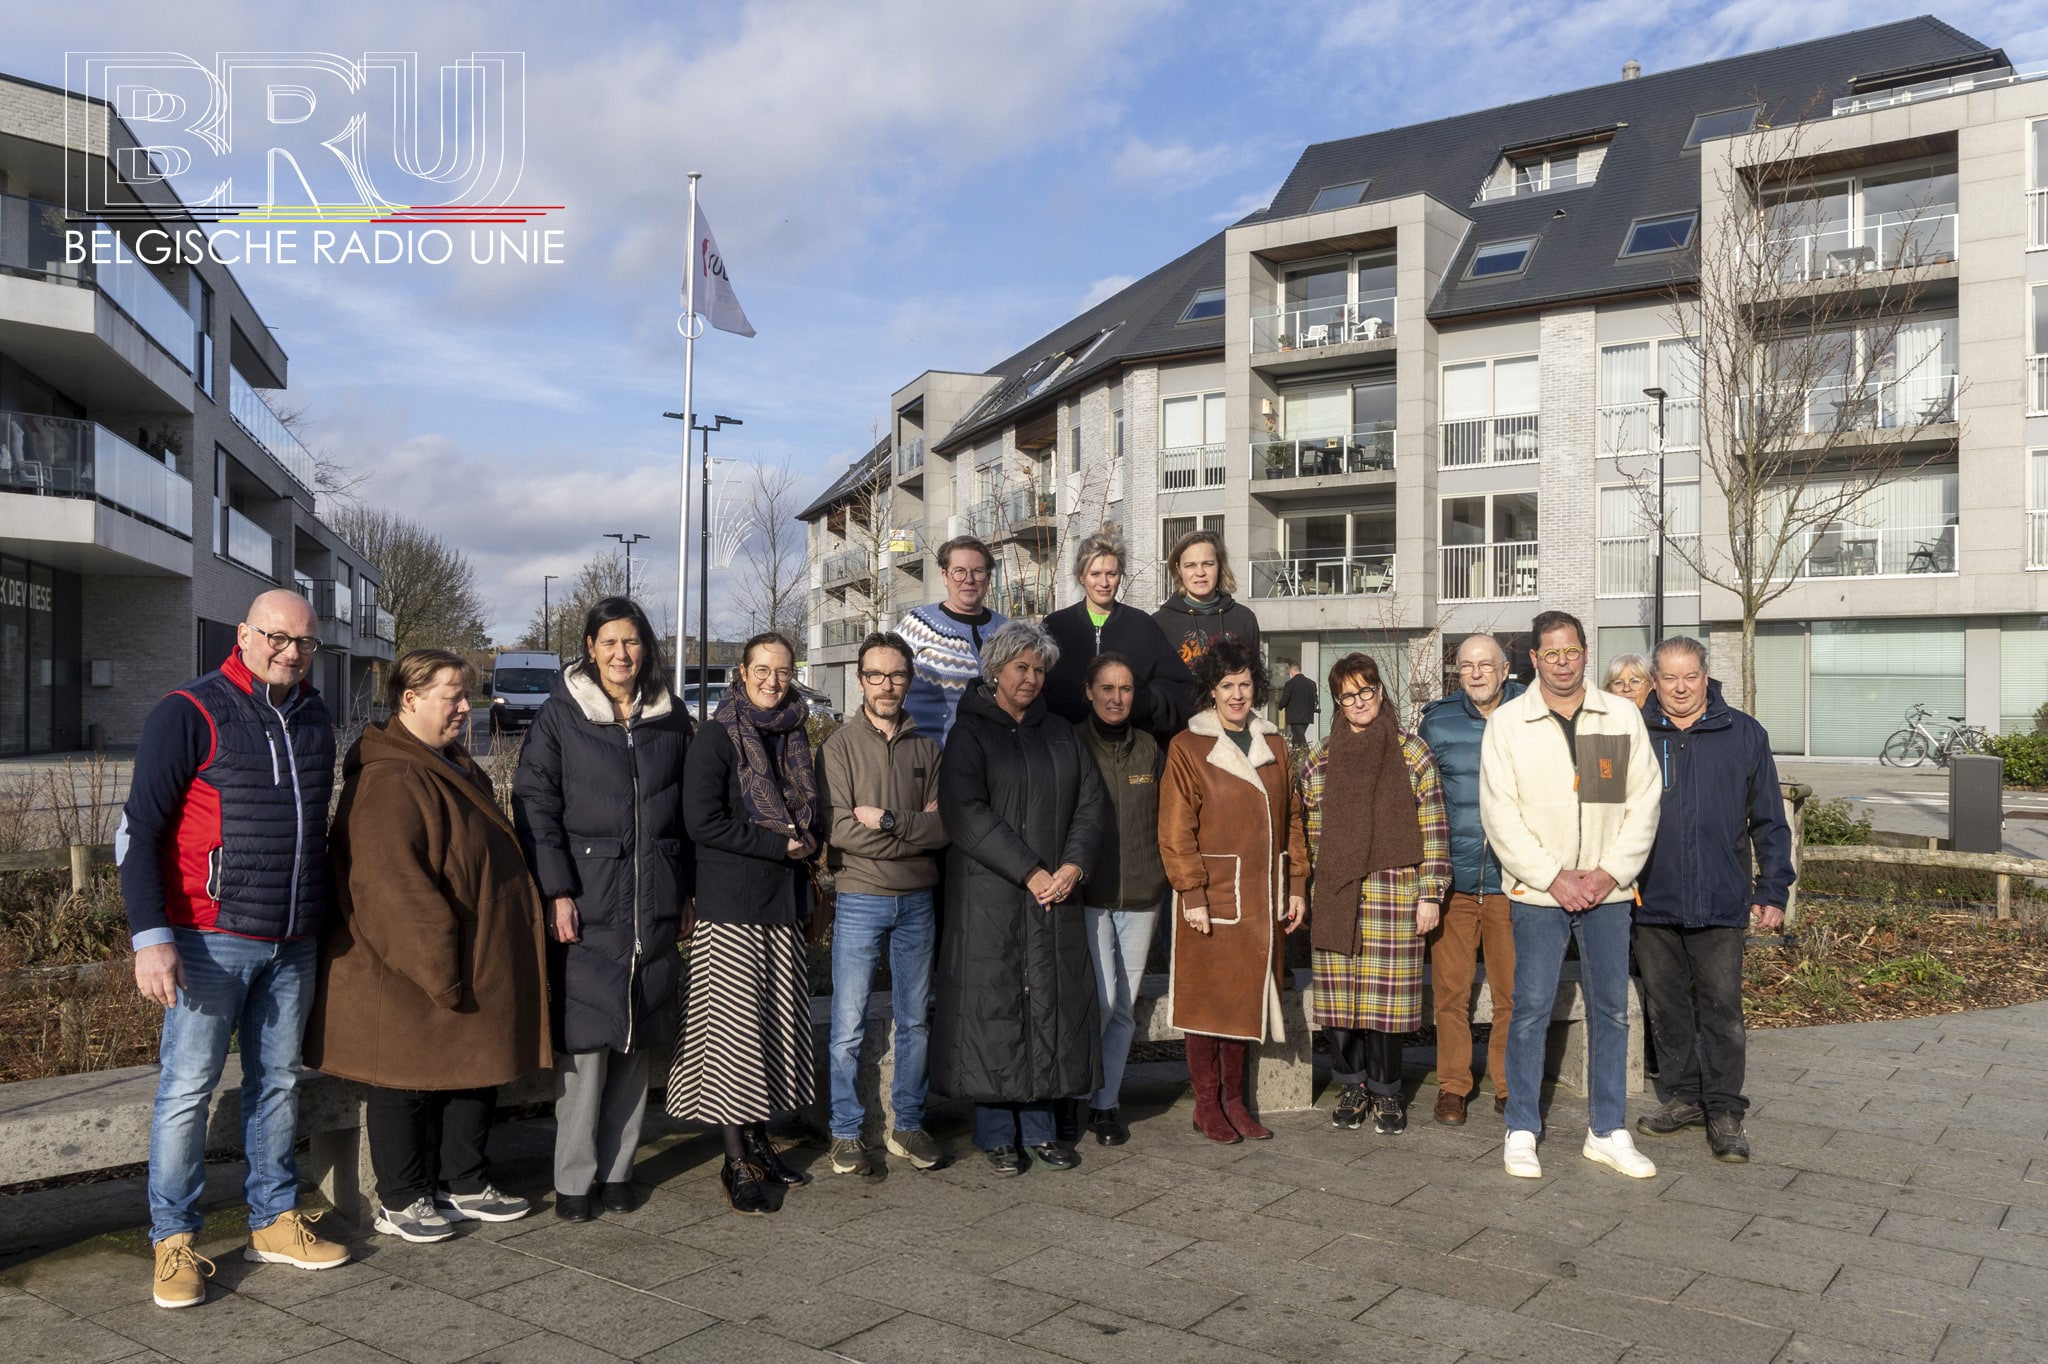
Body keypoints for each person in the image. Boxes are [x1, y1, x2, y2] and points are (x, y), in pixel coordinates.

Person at [119, 589, 350, 1307]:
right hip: (207, 938)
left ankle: (274, 1221)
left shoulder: (315, 716)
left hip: (291, 940)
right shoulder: (189, 712)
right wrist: (151, 938)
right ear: (245, 635)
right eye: (278, 638)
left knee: (277, 1083)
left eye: (305, 643)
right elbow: (139, 833)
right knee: (187, 1090)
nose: (291, 652)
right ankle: (174, 1240)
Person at [307, 649, 550, 1241]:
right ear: (409, 700)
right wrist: (439, 966)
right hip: (411, 968)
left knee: (472, 1068)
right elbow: (390, 887)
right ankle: (403, 1197)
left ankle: (462, 1180)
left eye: (468, 695)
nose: (468, 708)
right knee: (406, 1079)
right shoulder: (393, 779)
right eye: (454, 696)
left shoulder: (446, 764)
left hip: (470, 956)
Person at [512, 597, 693, 1221]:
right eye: (610, 642)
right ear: (590, 646)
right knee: (586, 1044)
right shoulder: (561, 716)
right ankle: (573, 1181)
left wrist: (686, 890)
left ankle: (619, 1173)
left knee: (637, 1038)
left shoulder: (672, 719)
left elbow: (688, 816)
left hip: (656, 899)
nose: (622, 654)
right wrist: (556, 890)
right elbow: (534, 804)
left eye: (633, 642)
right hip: (589, 899)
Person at [1480, 610, 1662, 1180]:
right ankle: (1522, 1128)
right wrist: (1554, 876)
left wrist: (1608, 874)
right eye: (1550, 653)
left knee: (1611, 1010)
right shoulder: (1509, 723)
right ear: (1533, 659)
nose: (1563, 662)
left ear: (1586, 652)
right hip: (1538, 894)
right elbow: (1499, 814)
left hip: (1608, 893)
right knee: (1530, 1010)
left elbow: (1644, 801)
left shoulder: (1621, 715)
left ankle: (1607, 1130)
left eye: (1572, 651)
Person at [932, 620, 1108, 1174]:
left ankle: (1041, 1129)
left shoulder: (1060, 733)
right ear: (996, 671)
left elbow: (1090, 804)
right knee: (995, 1008)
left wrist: (1074, 865)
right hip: (991, 896)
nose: (1031, 679)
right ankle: (994, 1134)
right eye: (1021, 668)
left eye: (1039, 670)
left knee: (1049, 1006)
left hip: (1056, 894)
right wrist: (1030, 870)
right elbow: (966, 812)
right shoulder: (970, 733)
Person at [671, 631, 826, 1215]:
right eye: (762, 669)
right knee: (733, 1040)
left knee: (771, 1029)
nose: (772, 680)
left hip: (782, 906)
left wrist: (809, 841)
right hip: (732, 909)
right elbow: (701, 821)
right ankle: (734, 1159)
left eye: (782, 671)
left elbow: (810, 813)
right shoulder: (716, 735)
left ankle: (760, 1141)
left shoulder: (792, 734)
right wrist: (777, 844)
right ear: (741, 671)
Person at [1634, 636, 1793, 1164]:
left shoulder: (1743, 733)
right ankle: (1682, 1097)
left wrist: (1773, 888)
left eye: (1691, 676)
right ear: (1654, 681)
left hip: (1721, 897)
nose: (1681, 688)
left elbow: (1770, 819)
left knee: (1723, 1012)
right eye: (1669, 678)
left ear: (1706, 675)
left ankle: (1725, 1110)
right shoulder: (1632, 731)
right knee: (1668, 1007)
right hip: (1650, 898)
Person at [1158, 638, 1308, 1144]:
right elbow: (1176, 831)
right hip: (1214, 894)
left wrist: (1297, 884)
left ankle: (1235, 1103)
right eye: (1228, 686)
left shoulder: (1275, 745)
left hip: (1263, 896)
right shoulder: (1188, 747)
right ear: (1212, 691)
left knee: (1244, 997)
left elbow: (1294, 822)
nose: (1238, 695)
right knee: (1208, 1002)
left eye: (1245, 684)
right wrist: (1193, 894)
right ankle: (1207, 1106)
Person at [816, 631, 948, 1177]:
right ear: (860, 680)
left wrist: (892, 820)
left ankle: (909, 1126)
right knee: (846, 1024)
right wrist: (914, 830)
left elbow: (944, 829)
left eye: (896, 675)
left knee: (916, 1021)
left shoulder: (928, 747)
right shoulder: (839, 747)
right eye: (875, 675)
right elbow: (841, 829)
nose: (886, 684)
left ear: (909, 680)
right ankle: (845, 1133)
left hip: (918, 899)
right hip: (860, 898)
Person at [1302, 653, 1450, 1136]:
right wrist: (1307, 890)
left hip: (1394, 890)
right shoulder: (1320, 758)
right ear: (1337, 702)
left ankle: (1388, 1091)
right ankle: (1350, 1084)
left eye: (1367, 691)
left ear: (1381, 692)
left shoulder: (1412, 753)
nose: (1360, 701)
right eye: (1349, 695)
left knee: (1387, 1004)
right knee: (1340, 1001)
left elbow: (1433, 828)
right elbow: (1310, 833)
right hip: (1338, 892)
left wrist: (1431, 892)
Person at [1416, 633, 1524, 1125]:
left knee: (1512, 993)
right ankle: (1454, 1086)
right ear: (1456, 673)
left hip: (1514, 881)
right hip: (1454, 882)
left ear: (1506, 669)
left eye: (1486, 664)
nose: (1477, 673)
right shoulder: (1437, 721)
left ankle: (1507, 1084)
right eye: (1466, 666)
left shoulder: (1531, 712)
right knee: (1451, 993)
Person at [1074, 653, 1169, 1145]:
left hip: (1142, 895)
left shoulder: (1149, 749)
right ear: (1089, 691)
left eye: (1125, 688)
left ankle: (1105, 1104)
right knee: (1102, 1002)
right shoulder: (1071, 743)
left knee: (1125, 1007)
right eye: (1107, 688)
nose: (1116, 697)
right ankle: (1077, 1092)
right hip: (1090, 894)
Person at [1042, 531, 1191, 739]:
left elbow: (1180, 688)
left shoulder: (1142, 625)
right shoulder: (1056, 626)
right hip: (1066, 746)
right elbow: (1037, 686)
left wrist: (1146, 701)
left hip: (1129, 747)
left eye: (1111, 574)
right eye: (1095, 574)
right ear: (1082, 577)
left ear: (1120, 575)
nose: (1104, 583)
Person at [899, 534, 1009, 745]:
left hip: (993, 756)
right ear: (944, 576)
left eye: (977, 571)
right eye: (959, 571)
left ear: (987, 577)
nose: (968, 579)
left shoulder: (1006, 629)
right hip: (929, 754)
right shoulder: (917, 624)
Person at [1154, 528, 1261, 672]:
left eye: (1208, 564)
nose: (1200, 573)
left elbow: (1255, 679)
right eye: (1190, 565)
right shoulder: (1160, 623)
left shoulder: (1244, 619)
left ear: (1220, 566)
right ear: (1179, 569)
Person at [1277, 659, 1319, 747]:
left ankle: (1306, 757)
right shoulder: (1311, 683)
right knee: (1296, 740)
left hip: (1295, 717)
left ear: (1292, 670)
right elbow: (1315, 699)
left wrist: (1280, 706)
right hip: (1307, 716)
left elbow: (1284, 701)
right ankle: (1294, 758)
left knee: (1301, 741)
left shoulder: (1290, 683)